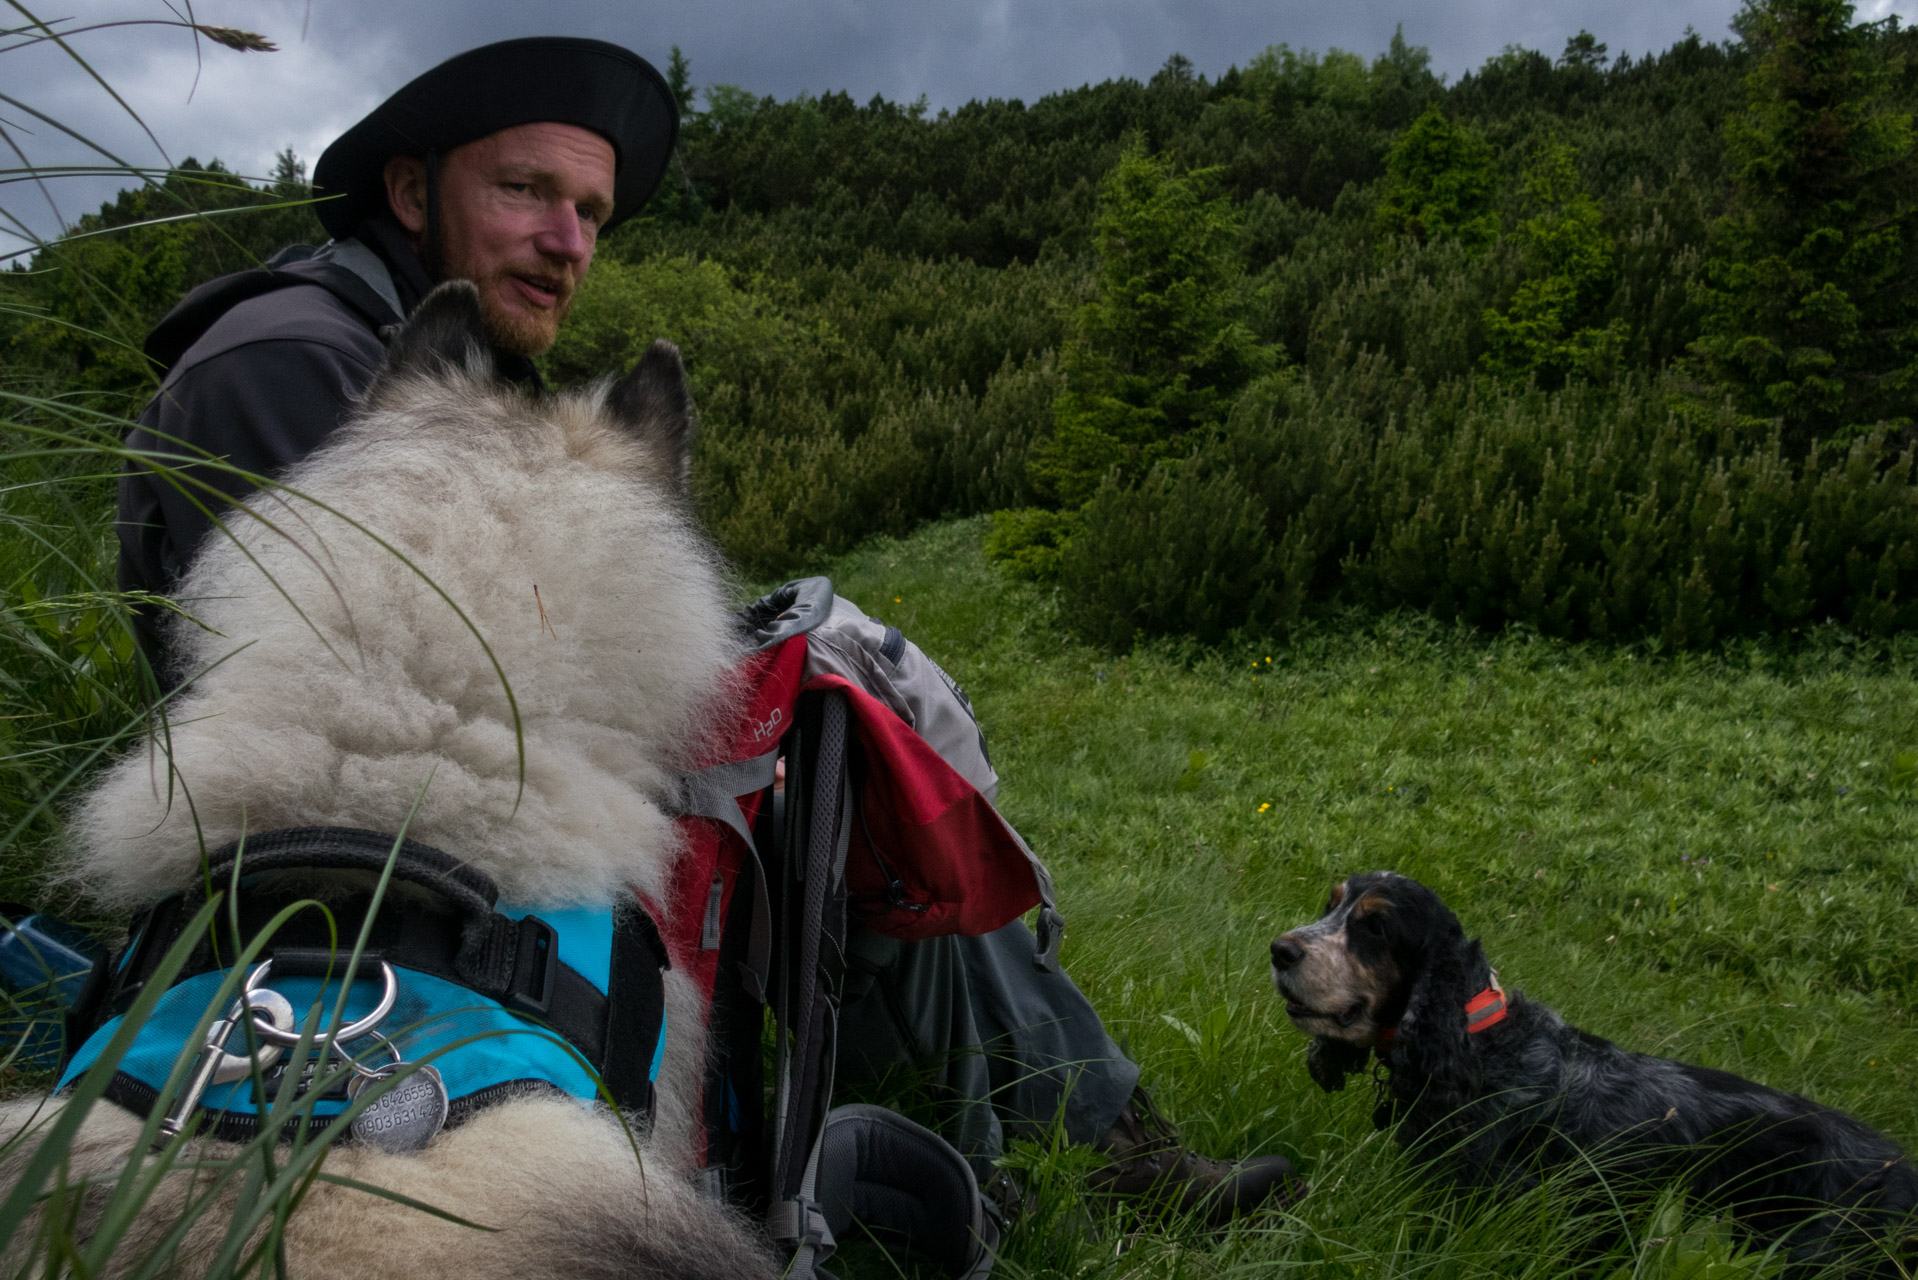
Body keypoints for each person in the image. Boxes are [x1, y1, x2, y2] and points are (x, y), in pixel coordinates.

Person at [115, 36, 1297, 1224]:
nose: (567, 241)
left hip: (421, 867)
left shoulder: (399, 355)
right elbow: (374, 707)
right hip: (360, 899)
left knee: (829, 752)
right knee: (821, 759)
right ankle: (1044, 1134)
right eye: (525, 191)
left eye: (590, 212)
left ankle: (1036, 1128)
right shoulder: (291, 363)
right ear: (414, 191)